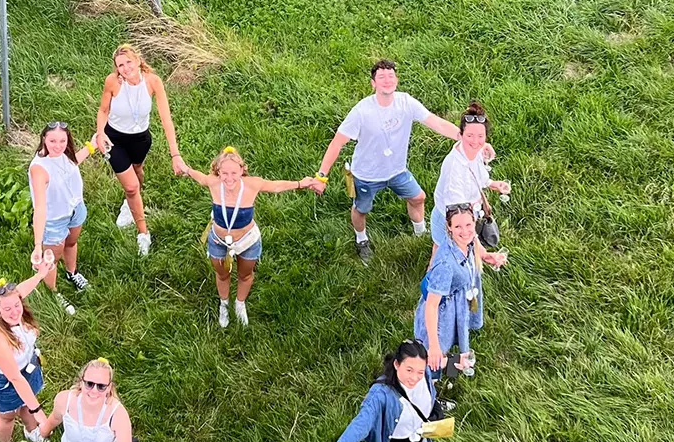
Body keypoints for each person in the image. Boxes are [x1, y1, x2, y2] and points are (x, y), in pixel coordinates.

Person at [313, 60, 460, 262]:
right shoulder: (362, 111)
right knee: (361, 209)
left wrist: (466, 139)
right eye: (381, 77)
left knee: (418, 198)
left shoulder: (406, 102)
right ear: (373, 83)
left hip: (397, 171)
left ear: (396, 80)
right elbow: (337, 143)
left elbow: (437, 123)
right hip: (367, 175)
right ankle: (361, 240)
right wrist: (321, 176)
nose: (387, 80)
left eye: (391, 76)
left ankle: (420, 234)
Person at [176, 146, 325, 328]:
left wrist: (301, 184)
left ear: (242, 171)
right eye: (224, 173)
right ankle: (224, 304)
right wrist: (185, 169)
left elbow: (276, 186)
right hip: (218, 241)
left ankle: (240, 304)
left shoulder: (252, 184)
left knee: (245, 275)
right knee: (222, 275)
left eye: (234, 173)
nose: (229, 178)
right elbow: (199, 177)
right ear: (218, 172)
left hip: (247, 241)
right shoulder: (213, 182)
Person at [317, 340, 442, 442]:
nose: (415, 378)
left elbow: (441, 363)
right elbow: (360, 424)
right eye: (409, 370)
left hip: (419, 437)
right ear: (397, 364)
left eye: (420, 371)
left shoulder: (425, 373)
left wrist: (459, 360)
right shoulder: (380, 394)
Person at [92, 43, 184, 258]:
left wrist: (175, 154)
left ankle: (129, 202)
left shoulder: (152, 81)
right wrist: (100, 133)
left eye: (128, 62)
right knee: (132, 186)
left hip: (140, 139)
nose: (125, 68)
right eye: (120, 65)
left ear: (138, 60)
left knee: (137, 170)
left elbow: (166, 119)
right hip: (114, 139)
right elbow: (103, 110)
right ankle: (143, 233)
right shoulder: (112, 82)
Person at [0, 262, 56, 442]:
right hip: (6, 381)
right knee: (8, 415)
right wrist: (39, 412)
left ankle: (31, 431)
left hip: (29, 368)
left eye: (17, 305)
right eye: (7, 309)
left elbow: (21, 290)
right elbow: (15, 378)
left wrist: (40, 275)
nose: (15, 312)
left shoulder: (13, 308)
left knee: (27, 402)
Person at [417, 205, 492, 380]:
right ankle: (431, 383)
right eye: (458, 226)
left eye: (468, 225)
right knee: (436, 354)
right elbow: (432, 306)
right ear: (449, 227)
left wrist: (490, 257)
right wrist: (434, 345)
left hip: (458, 303)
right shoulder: (445, 265)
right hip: (443, 313)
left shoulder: (468, 241)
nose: (465, 231)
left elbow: (476, 249)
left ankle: (451, 373)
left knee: (454, 340)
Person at [431, 102, 512, 254]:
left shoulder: (475, 151)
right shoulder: (454, 169)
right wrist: (483, 253)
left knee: (443, 251)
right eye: (470, 136)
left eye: (480, 136)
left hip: (466, 214)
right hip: (449, 219)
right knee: (448, 254)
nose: (475, 142)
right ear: (460, 135)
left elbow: (477, 175)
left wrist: (492, 184)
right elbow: (458, 216)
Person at [29, 121, 94, 292]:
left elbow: (72, 164)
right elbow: (40, 208)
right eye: (52, 141)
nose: (58, 146)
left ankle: (72, 273)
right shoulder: (39, 168)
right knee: (51, 260)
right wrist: (37, 244)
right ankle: (53, 293)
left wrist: (92, 146)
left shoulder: (65, 154)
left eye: (62, 141)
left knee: (71, 243)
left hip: (76, 209)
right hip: (55, 219)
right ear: (44, 139)